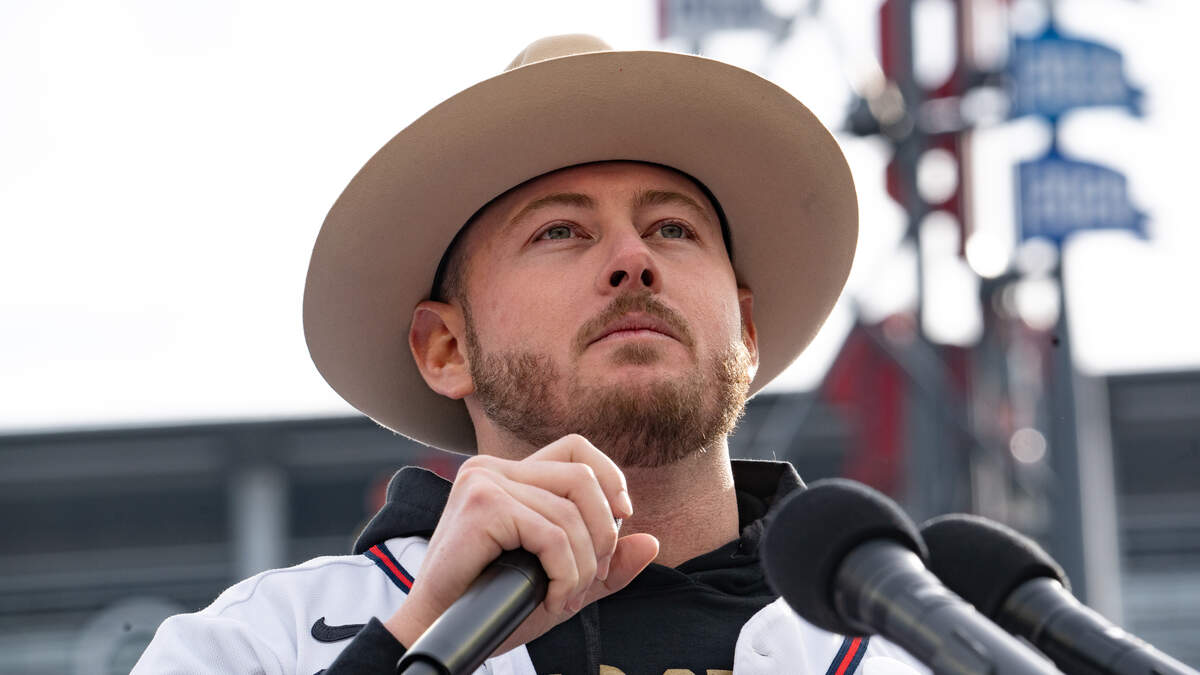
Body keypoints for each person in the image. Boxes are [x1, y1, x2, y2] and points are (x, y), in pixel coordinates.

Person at [133, 34, 924, 674]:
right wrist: (411, 644)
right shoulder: (256, 647)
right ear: (446, 347)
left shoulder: (933, 651)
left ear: (746, 332)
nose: (633, 259)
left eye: (673, 228)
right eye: (560, 231)